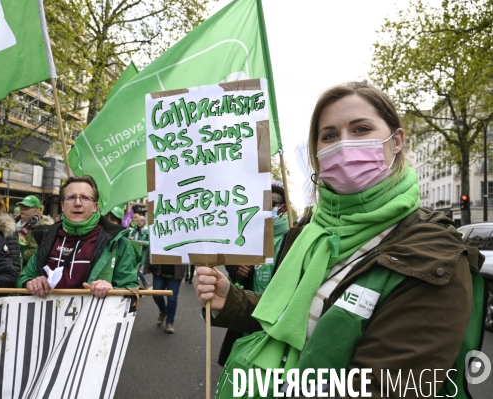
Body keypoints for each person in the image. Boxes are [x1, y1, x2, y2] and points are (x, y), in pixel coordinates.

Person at [195, 81, 484, 397]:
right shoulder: (308, 232)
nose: (344, 145)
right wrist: (231, 301)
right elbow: (296, 315)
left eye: (361, 129)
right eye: (329, 135)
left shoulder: (435, 256)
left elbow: (383, 388)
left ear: (397, 140)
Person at [17, 175, 138, 298]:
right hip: (48, 316)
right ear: (62, 205)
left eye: (85, 198)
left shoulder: (118, 242)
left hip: (94, 317)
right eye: (71, 197)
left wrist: (112, 290)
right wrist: (30, 283)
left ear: (95, 206)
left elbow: (131, 289)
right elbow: (24, 277)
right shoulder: (46, 237)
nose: (77, 203)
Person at [217, 184, 290, 367]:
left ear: (283, 208)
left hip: (278, 313)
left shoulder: (293, 237)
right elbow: (231, 257)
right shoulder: (249, 231)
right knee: (241, 360)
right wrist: (236, 269)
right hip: (249, 307)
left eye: (272, 203)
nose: (267, 208)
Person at [145, 260, 186, 334]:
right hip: (159, 271)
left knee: (172, 298)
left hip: (176, 273)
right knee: (156, 295)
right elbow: (150, 251)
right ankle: (163, 310)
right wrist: (147, 267)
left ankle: (170, 322)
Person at [128, 214, 150, 289]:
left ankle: (143, 282)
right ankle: (139, 284)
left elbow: (150, 242)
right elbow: (128, 237)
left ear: (144, 222)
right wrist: (130, 237)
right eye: (138, 221)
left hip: (142, 253)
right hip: (134, 252)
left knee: (136, 270)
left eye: (141, 221)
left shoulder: (147, 231)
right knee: (134, 269)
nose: (139, 222)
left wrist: (144, 243)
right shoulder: (135, 229)